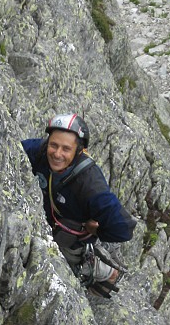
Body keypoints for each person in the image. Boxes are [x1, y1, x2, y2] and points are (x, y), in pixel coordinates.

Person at [22, 114, 136, 298]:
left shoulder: (90, 183)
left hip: (70, 233)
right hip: (48, 218)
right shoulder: (40, 150)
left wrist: (97, 231)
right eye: (54, 145)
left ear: (79, 151)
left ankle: (106, 272)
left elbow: (123, 228)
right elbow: (11, 147)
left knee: (68, 254)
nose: (57, 154)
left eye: (66, 149)